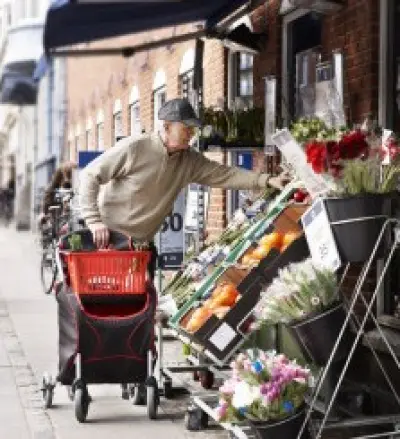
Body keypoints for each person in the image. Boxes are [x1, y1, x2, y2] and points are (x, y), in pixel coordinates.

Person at [79, 98, 289, 253]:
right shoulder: (134, 148)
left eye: (194, 129)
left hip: (140, 248)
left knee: (140, 308)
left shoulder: (189, 160)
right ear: (167, 126)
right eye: (186, 128)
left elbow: (225, 174)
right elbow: (90, 174)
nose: (191, 134)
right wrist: (94, 221)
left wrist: (267, 180)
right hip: (107, 242)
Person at [38, 161, 77, 226]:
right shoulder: (60, 172)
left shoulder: (77, 171)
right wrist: (44, 212)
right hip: (61, 194)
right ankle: (52, 222)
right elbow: (50, 190)